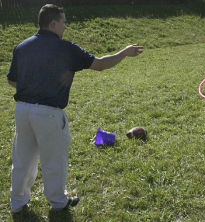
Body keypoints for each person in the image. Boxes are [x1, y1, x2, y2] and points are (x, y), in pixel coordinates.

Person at [6, 4, 143, 213]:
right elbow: (100, 64)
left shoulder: (22, 47)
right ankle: (58, 202)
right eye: (63, 22)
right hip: (49, 113)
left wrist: (33, 87)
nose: (65, 27)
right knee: (54, 160)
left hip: (22, 110)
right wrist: (124, 52)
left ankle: (17, 203)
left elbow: (13, 81)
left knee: (22, 160)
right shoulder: (66, 48)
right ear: (53, 23)